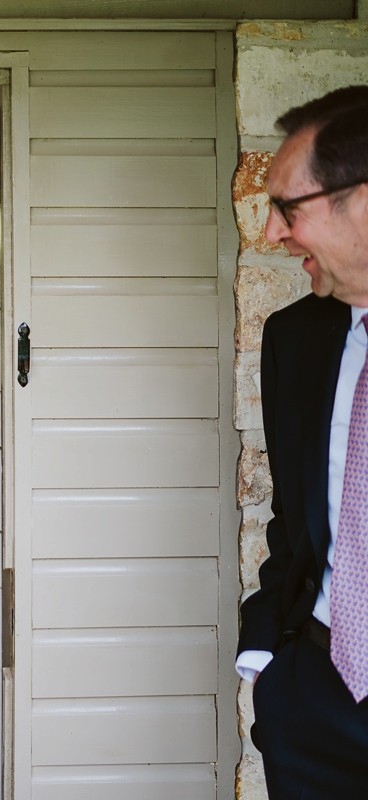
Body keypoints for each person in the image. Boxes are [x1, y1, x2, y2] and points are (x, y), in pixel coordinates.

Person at [237, 85, 368, 796]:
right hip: (314, 703)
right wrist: (269, 655)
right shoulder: (297, 336)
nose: (272, 234)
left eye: (289, 207)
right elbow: (298, 517)